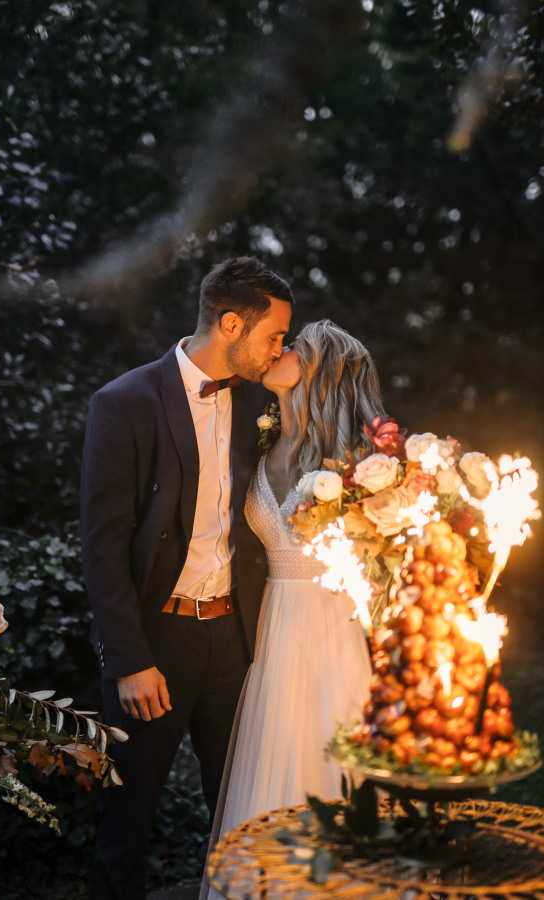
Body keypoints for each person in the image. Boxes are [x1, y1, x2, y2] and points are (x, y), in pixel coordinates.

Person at [80, 256, 294, 898]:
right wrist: (129, 658)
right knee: (126, 814)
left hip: (235, 641)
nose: (279, 348)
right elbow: (102, 543)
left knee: (241, 810)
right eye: (273, 335)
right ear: (231, 323)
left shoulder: (261, 400)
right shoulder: (123, 403)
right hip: (156, 642)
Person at [202, 320, 385, 899]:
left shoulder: (357, 462)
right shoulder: (262, 441)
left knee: (335, 760)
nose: (279, 351)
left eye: (295, 348)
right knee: (273, 766)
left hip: (335, 631)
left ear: (321, 373)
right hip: (275, 631)